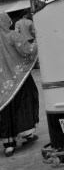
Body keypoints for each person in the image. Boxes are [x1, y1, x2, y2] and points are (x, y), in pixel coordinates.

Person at [0, 11, 39, 157]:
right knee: (24, 104)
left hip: (1, 84)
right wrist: (38, 41)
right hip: (19, 80)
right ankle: (27, 134)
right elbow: (28, 50)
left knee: (5, 111)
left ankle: (8, 145)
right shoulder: (12, 35)